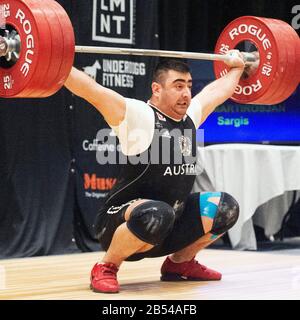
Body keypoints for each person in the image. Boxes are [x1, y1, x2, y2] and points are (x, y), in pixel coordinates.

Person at [64, 51, 245, 293]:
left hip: (168, 224)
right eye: (178, 86)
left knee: (226, 207)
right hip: (120, 223)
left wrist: (239, 68)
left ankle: (180, 264)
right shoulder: (139, 116)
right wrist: (52, 63)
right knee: (158, 212)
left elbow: (217, 91)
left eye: (189, 86)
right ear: (157, 89)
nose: (186, 94)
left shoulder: (189, 117)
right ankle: (106, 266)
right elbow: (90, 89)